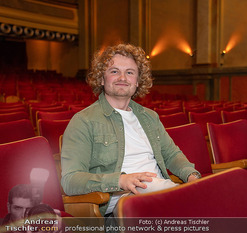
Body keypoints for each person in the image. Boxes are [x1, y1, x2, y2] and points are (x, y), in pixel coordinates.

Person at [61, 43, 201, 217]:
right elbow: (70, 180)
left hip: (160, 193)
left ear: (137, 81)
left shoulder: (150, 117)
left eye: (129, 72)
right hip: (123, 204)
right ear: (102, 79)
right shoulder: (83, 121)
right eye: (114, 71)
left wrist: (192, 177)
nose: (122, 77)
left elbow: (171, 155)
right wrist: (120, 180)